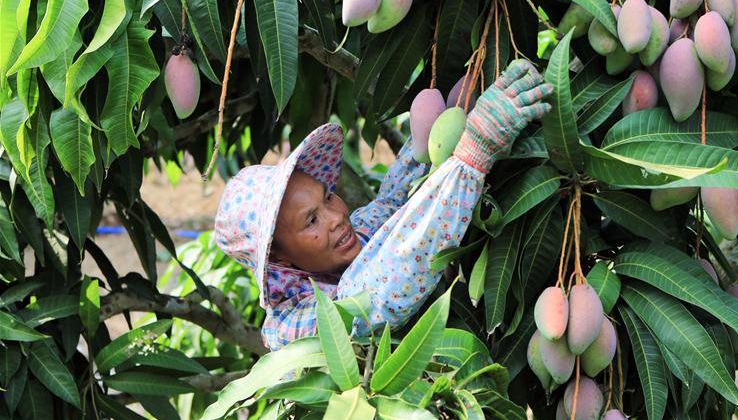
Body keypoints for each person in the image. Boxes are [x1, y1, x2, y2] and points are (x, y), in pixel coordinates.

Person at [213, 60, 552, 351]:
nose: (337, 217)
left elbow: (395, 199)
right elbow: (372, 297)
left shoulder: (361, 230)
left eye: (328, 196)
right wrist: (473, 154)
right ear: (278, 258)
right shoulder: (291, 329)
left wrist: (451, 108)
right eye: (311, 220)